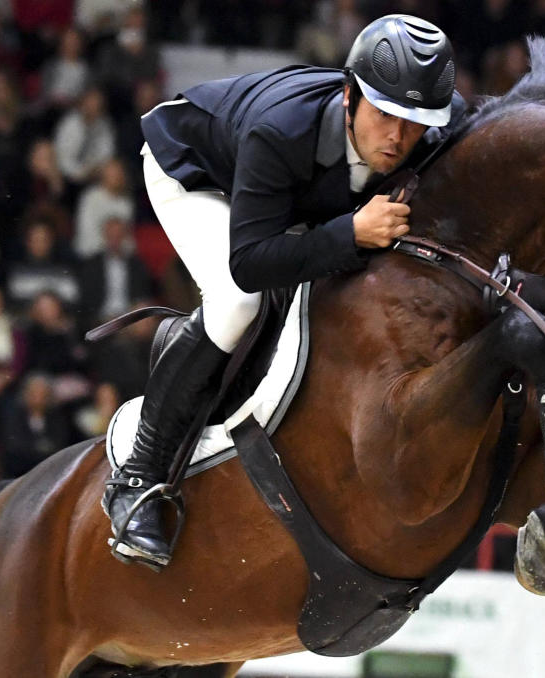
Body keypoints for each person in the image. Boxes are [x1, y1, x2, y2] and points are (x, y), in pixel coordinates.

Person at [102, 13, 464, 569]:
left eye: (414, 125)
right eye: (386, 115)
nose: (397, 138)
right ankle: (137, 477)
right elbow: (249, 263)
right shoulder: (282, 131)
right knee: (237, 301)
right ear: (350, 97)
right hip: (195, 173)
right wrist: (348, 234)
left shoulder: (430, 128)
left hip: (283, 195)